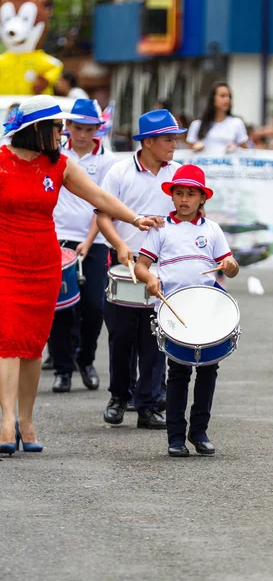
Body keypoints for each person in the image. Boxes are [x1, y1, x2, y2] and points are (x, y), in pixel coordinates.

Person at [0, 95, 161, 455]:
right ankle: (6, 422)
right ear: (37, 129)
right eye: (58, 127)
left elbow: (100, 197)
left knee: (31, 347)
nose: (64, 133)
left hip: (43, 264)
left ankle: (27, 421)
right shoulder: (1, 161)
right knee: (8, 341)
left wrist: (134, 218)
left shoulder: (60, 165)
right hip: (5, 264)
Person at [135, 164, 240, 457]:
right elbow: (141, 265)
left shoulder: (212, 230)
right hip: (172, 309)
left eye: (190, 194)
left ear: (202, 198)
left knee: (208, 369)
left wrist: (231, 266)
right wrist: (151, 278)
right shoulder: (161, 229)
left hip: (206, 309)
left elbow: (230, 268)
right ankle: (176, 437)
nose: (184, 199)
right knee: (178, 372)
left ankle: (200, 431)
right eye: (179, 193)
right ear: (172, 196)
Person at [97, 109, 186, 430]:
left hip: (163, 268)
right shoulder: (119, 172)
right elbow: (103, 216)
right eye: (168, 138)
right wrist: (120, 246)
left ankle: (147, 404)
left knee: (155, 339)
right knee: (121, 337)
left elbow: (190, 215)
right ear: (148, 142)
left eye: (175, 137)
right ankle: (119, 397)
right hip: (124, 264)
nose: (174, 143)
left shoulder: (179, 174)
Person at [46, 99, 117, 393]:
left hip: (95, 240)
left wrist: (88, 242)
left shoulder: (106, 160)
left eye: (90, 129)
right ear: (68, 128)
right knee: (59, 307)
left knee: (94, 305)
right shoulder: (54, 155)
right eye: (78, 128)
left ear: (98, 129)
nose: (84, 135)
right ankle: (63, 369)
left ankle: (85, 360)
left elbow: (102, 204)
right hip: (57, 238)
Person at [186, 82, 248, 153]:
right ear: (213, 99)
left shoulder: (237, 123)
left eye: (229, 96)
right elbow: (188, 152)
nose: (227, 99)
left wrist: (235, 148)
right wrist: (196, 147)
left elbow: (245, 151)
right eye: (222, 96)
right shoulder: (197, 124)